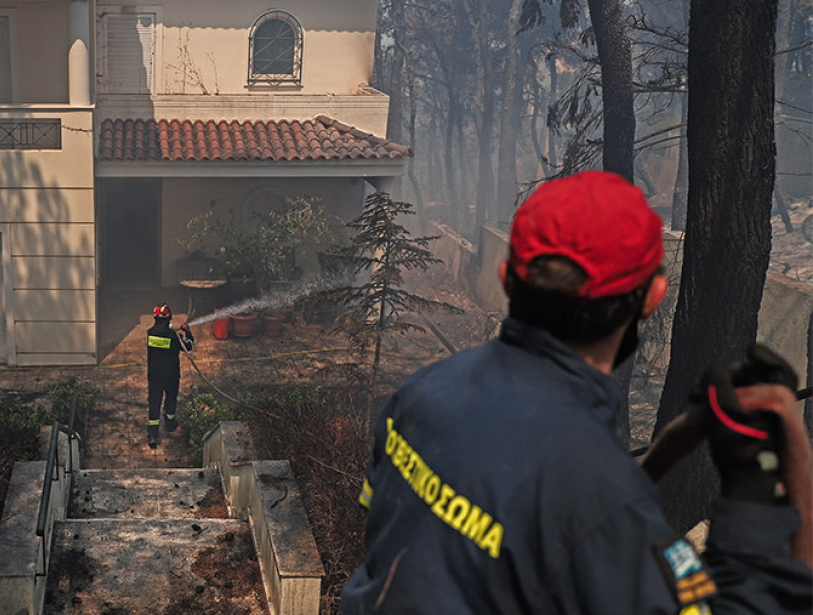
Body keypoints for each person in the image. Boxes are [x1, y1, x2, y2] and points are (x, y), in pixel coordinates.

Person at [340, 170, 813, 614]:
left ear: (507, 278)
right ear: (653, 297)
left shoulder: (423, 392)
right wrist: (771, 464)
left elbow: (543, 532)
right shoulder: (600, 500)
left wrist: (672, 444)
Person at [146, 303, 194, 449]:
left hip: (154, 375)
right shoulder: (174, 336)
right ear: (169, 318)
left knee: (154, 403)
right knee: (170, 399)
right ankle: (170, 424)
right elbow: (190, 345)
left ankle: (153, 435)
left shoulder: (150, 333)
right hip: (171, 375)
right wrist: (187, 332)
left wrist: (170, 328)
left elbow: (162, 332)